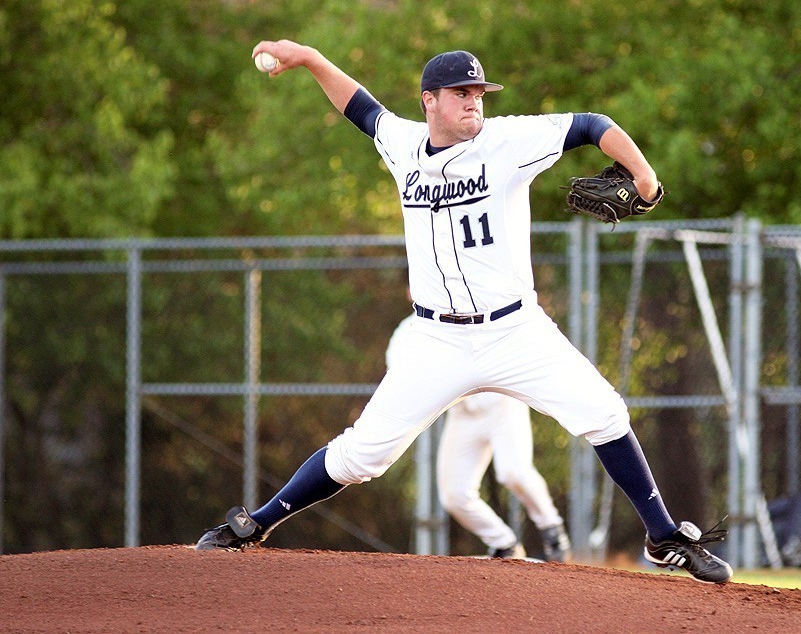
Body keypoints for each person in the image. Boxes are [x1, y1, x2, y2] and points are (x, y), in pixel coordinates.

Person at [194, 41, 732, 584]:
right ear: (430, 101)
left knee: (606, 414)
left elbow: (592, 124)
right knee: (361, 457)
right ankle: (255, 526)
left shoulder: (508, 141)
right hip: (437, 341)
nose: (474, 101)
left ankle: (662, 537)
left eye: (479, 92)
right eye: (461, 92)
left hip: (515, 329)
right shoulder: (403, 145)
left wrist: (642, 175)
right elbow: (358, 106)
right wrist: (309, 58)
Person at [387, 314, 571, 561]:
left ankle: (552, 529)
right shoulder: (408, 330)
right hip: (462, 414)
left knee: (513, 472)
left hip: (502, 402)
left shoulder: (471, 306)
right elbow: (401, 376)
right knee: (454, 495)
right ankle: (505, 544)